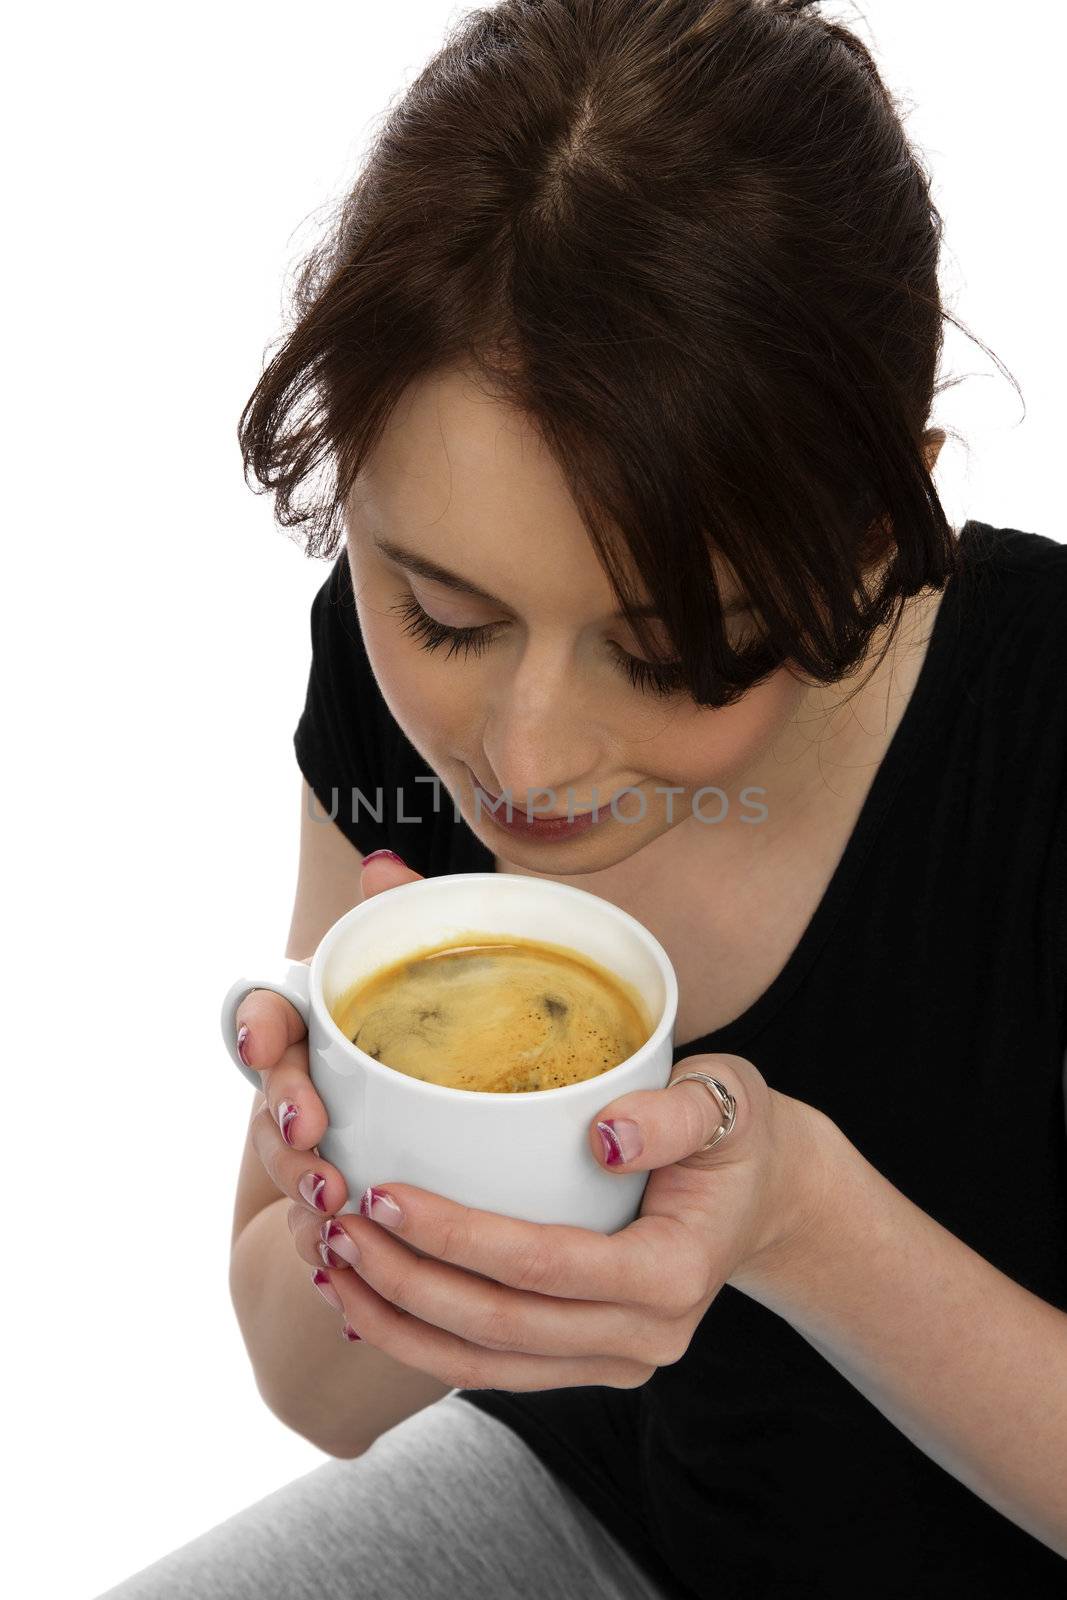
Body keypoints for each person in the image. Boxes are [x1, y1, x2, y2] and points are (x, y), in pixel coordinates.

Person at [96, 0, 1067, 1596]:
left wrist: (798, 1222)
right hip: (608, 1516)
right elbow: (304, 1375)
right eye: (449, 617)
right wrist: (388, 1169)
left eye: (684, 649)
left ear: (884, 531)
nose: (523, 765)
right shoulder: (373, 674)